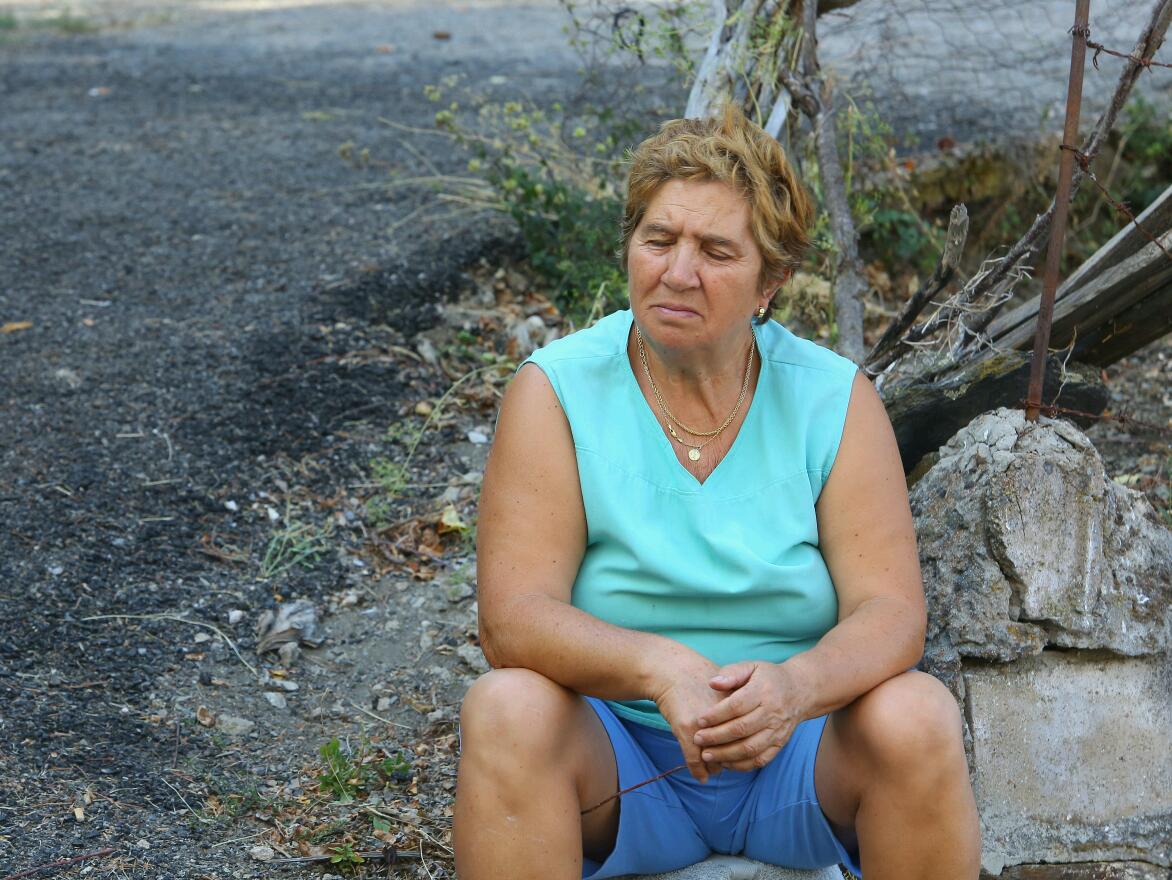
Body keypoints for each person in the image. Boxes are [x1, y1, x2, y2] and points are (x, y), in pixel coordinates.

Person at [453, 106, 980, 880]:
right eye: (659, 240)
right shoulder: (558, 390)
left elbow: (892, 613)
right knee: (505, 709)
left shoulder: (831, 398)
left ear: (770, 282)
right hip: (624, 762)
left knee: (918, 715)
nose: (677, 271)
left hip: (797, 759)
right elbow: (513, 618)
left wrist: (796, 689)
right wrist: (659, 670)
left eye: (716, 251)